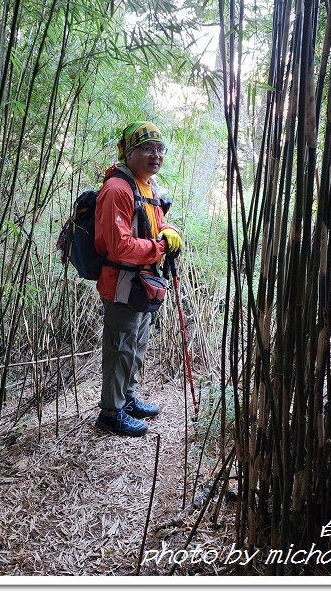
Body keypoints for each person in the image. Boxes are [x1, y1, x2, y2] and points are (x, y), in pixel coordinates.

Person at [93, 121, 182, 436]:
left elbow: (156, 221)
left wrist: (168, 231)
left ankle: (127, 399)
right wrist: (160, 247)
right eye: (147, 148)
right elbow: (119, 246)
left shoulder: (148, 185)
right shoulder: (117, 189)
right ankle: (111, 412)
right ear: (129, 152)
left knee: (136, 345)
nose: (155, 155)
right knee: (120, 348)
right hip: (121, 283)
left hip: (144, 283)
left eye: (159, 149)